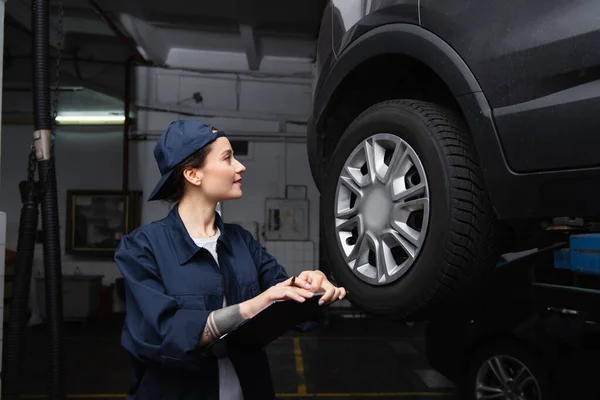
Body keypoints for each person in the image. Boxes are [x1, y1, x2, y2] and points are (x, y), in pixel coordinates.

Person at [114, 120, 346, 400]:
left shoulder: (241, 241)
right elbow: (166, 334)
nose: (240, 167)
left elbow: (285, 299)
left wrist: (312, 287)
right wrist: (253, 306)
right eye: (228, 158)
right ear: (193, 174)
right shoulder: (142, 248)